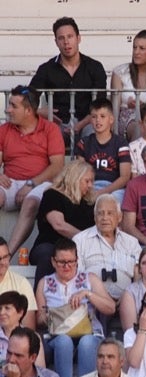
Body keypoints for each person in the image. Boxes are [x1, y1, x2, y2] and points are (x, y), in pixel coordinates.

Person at [35, 237, 114, 377]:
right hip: (57, 335)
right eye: (61, 262)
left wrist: (87, 294)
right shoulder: (45, 283)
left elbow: (110, 308)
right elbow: (39, 320)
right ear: (52, 261)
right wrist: (51, 314)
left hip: (89, 333)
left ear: (77, 260)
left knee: (87, 342)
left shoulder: (89, 279)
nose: (67, 266)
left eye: (71, 261)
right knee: (64, 341)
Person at [0, 86, 65, 252]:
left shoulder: (50, 129)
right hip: (10, 182)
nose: (8, 110)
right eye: (9, 105)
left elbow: (57, 165)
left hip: (41, 184)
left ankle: (6, 255)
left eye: (13, 106)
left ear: (28, 110)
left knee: (30, 203)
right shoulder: (4, 130)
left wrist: (31, 183)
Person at [30, 17, 107, 145]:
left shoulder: (94, 67)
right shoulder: (46, 69)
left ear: (78, 38)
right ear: (56, 42)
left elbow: (101, 103)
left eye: (70, 36)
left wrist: (80, 125)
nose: (66, 42)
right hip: (58, 124)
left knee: (95, 134)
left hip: (88, 122)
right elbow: (29, 97)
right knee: (46, 136)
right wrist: (40, 111)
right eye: (61, 38)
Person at [30, 160, 95, 281]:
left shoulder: (89, 203)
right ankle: (40, 298)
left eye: (92, 181)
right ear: (74, 178)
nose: (90, 185)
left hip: (78, 250)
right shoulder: (52, 195)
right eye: (87, 181)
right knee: (48, 255)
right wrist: (86, 239)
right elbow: (59, 225)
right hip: (49, 245)